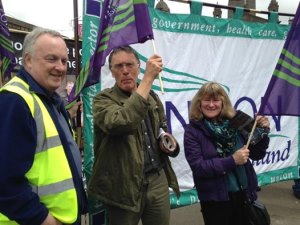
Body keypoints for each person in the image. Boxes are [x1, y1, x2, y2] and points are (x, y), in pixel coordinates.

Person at [0, 28, 87, 225]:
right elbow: (4, 182)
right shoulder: (15, 101)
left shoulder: (49, 100)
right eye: (52, 59)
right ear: (28, 60)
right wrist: (43, 219)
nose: (61, 67)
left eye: (64, 61)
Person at [88, 45, 180, 225]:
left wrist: (167, 141)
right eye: (118, 66)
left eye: (130, 65)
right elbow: (120, 123)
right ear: (112, 72)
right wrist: (147, 79)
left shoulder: (152, 96)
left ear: (138, 67)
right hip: (123, 186)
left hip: (157, 180)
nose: (125, 71)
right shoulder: (102, 100)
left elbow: (161, 127)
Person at [184, 82, 270, 225]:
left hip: (244, 196)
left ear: (223, 102)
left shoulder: (238, 120)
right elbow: (199, 168)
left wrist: (263, 131)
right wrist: (232, 161)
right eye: (207, 100)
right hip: (216, 201)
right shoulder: (192, 131)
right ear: (199, 103)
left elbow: (256, 154)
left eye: (216, 100)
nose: (211, 104)